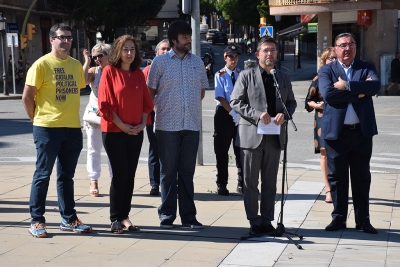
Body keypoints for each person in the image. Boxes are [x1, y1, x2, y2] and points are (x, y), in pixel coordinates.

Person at [22, 23, 92, 238]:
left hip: (71, 128)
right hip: (47, 128)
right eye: (61, 37)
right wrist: (37, 120)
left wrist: (91, 62)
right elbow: (27, 96)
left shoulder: (73, 64)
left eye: (69, 38)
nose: (66, 41)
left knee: (66, 177)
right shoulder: (41, 64)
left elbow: (83, 83)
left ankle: (68, 218)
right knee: (43, 175)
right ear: (52, 40)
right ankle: (37, 220)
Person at [230, 36, 297, 236]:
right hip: (251, 136)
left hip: (275, 136)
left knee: (270, 182)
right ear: (258, 54)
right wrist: (257, 115)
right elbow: (235, 101)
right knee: (250, 182)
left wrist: (284, 115)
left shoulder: (282, 77)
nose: (270, 54)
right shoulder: (246, 75)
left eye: (273, 50)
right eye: (266, 50)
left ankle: (267, 220)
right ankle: (254, 221)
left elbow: (291, 102)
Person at [147, 21, 208, 229]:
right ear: (174, 40)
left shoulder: (198, 62)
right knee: (168, 173)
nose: (189, 40)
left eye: (189, 36)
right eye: (184, 37)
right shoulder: (160, 63)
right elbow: (150, 92)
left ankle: (189, 216)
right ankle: (166, 215)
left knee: (187, 174)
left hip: (191, 125)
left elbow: (201, 92)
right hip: (166, 126)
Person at [318, 33, 381, 234]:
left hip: (362, 133)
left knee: (362, 177)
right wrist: (360, 93)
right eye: (343, 45)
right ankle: (338, 218)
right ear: (335, 49)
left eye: (351, 44)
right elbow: (329, 95)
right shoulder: (327, 69)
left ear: (356, 47)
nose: (347, 48)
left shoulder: (366, 67)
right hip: (337, 134)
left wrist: (347, 86)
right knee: (337, 178)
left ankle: (363, 220)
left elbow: (375, 85)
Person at [98, 35, 153, 234]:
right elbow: (104, 105)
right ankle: (114, 219)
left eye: (132, 49)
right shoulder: (109, 72)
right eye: (125, 49)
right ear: (118, 52)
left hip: (135, 132)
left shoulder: (139, 74)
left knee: (130, 175)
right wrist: (122, 126)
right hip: (114, 131)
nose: (129, 53)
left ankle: (124, 217)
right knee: (120, 174)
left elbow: (147, 103)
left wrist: (141, 123)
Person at [305, 47, 337, 203]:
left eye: (334, 58)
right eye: (330, 58)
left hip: (339, 119)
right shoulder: (319, 78)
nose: (333, 60)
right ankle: (328, 189)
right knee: (324, 154)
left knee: (339, 155)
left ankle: (339, 187)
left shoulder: (342, 77)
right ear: (324, 61)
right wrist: (319, 105)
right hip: (322, 119)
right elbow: (307, 102)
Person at [82, 43, 113, 197]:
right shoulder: (95, 70)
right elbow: (84, 80)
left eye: (100, 55)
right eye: (95, 57)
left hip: (112, 116)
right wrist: (87, 61)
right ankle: (93, 179)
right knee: (93, 149)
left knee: (113, 150)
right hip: (94, 115)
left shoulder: (116, 70)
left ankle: (115, 179)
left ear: (109, 54)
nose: (97, 59)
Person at [142, 39, 171, 196]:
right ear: (157, 52)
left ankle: (171, 181)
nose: (166, 51)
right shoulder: (148, 70)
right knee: (155, 148)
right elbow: (143, 93)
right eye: (163, 49)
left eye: (168, 49)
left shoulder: (174, 67)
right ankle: (154, 184)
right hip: (152, 113)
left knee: (171, 149)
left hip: (170, 112)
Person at [213, 45, 243, 195]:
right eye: (231, 57)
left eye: (236, 57)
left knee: (241, 150)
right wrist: (232, 113)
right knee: (222, 151)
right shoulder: (220, 74)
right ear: (225, 57)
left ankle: (242, 182)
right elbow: (220, 96)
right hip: (225, 115)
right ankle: (222, 183)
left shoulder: (241, 74)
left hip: (240, 114)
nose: (234, 60)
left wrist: (240, 114)